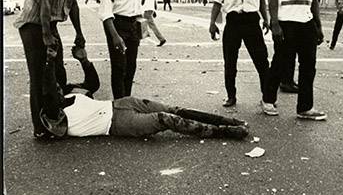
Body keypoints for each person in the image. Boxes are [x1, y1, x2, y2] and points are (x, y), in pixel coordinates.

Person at [39, 46, 249, 140]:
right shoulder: (55, 115)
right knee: (165, 118)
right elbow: (48, 91)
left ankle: (230, 122)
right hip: (118, 124)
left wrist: (84, 60)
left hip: (121, 104)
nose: (58, 88)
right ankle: (223, 132)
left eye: (59, 85)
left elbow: (92, 84)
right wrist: (49, 61)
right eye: (54, 88)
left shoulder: (70, 95)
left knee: (176, 110)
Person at [14, 0, 87, 138]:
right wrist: (47, 36)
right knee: (39, 76)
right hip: (34, 26)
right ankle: (40, 128)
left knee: (57, 74)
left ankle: (54, 117)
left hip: (49, 26)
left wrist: (79, 34)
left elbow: (73, 5)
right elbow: (44, 3)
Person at [262, 0, 326, 120]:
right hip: (287, 22)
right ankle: (268, 99)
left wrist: (318, 26)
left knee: (309, 66)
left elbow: (313, 0)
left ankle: (305, 108)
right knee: (280, 64)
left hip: (306, 23)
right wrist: (274, 23)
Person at [209, 0, 270, 107]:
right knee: (230, 62)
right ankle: (231, 96)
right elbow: (217, 1)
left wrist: (266, 19)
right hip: (233, 21)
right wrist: (212, 23)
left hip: (252, 21)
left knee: (262, 60)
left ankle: (267, 97)